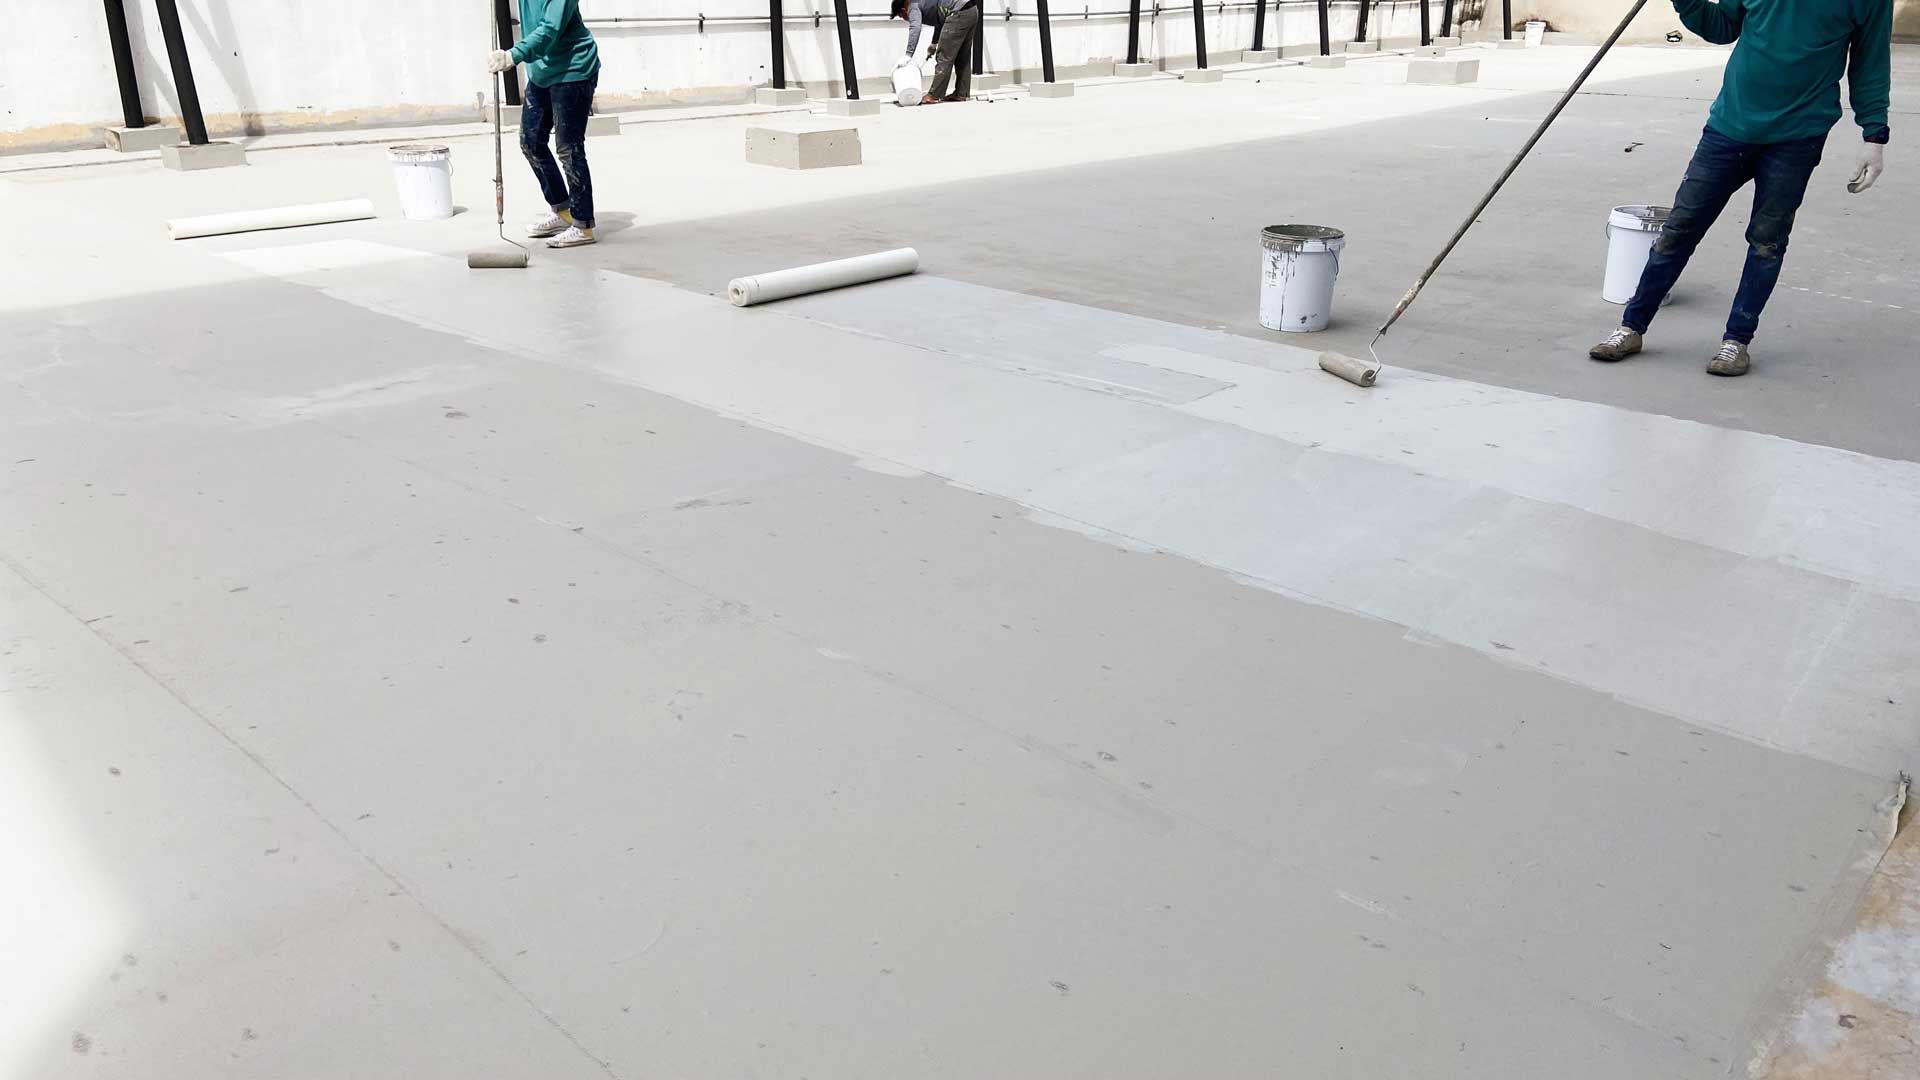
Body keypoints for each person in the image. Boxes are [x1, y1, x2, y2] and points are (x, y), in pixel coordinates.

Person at [1589, 0, 1890, 376]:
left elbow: (1871, 61)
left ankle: (1736, 342)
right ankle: (1631, 328)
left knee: (1767, 242)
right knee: (1680, 229)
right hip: (1730, 127)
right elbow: (1722, 27)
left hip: (1798, 136)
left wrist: (1874, 135)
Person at [488, 1, 601, 249]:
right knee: (531, 143)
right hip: (541, 72)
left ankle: (583, 225)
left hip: (573, 70)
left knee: (568, 148)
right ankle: (563, 211)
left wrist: (512, 55)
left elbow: (550, 29)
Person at [892, 0, 982, 104]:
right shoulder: (923, 3)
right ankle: (961, 93)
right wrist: (934, 43)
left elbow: (915, 27)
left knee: (943, 57)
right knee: (963, 56)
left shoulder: (912, 6)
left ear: (903, 10)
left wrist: (908, 55)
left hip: (958, 12)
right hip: (971, 10)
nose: (904, 19)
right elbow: (941, 20)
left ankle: (935, 95)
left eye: (901, 16)